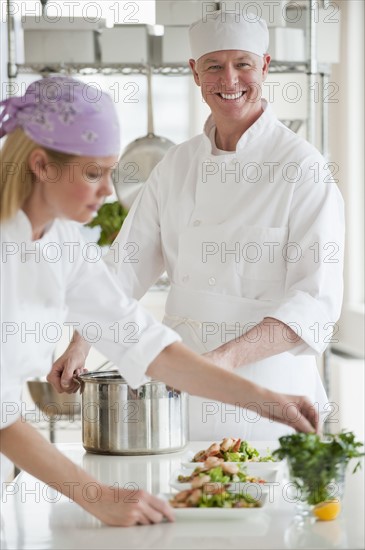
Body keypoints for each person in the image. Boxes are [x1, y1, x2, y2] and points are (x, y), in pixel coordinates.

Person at [0, 75, 318, 527]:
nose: (109, 191)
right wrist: (97, 496)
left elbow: (149, 346)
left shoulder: (63, 243)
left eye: (111, 172)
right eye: (93, 173)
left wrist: (267, 400)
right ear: (41, 165)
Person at [52, 10, 345, 442]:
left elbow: (314, 301)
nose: (229, 80)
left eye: (243, 64)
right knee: (185, 494)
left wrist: (224, 361)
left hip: (270, 395)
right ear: (194, 72)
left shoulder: (304, 168)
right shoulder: (177, 163)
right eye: (214, 66)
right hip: (184, 395)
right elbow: (126, 264)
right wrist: (81, 341)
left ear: (265, 66)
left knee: (265, 501)